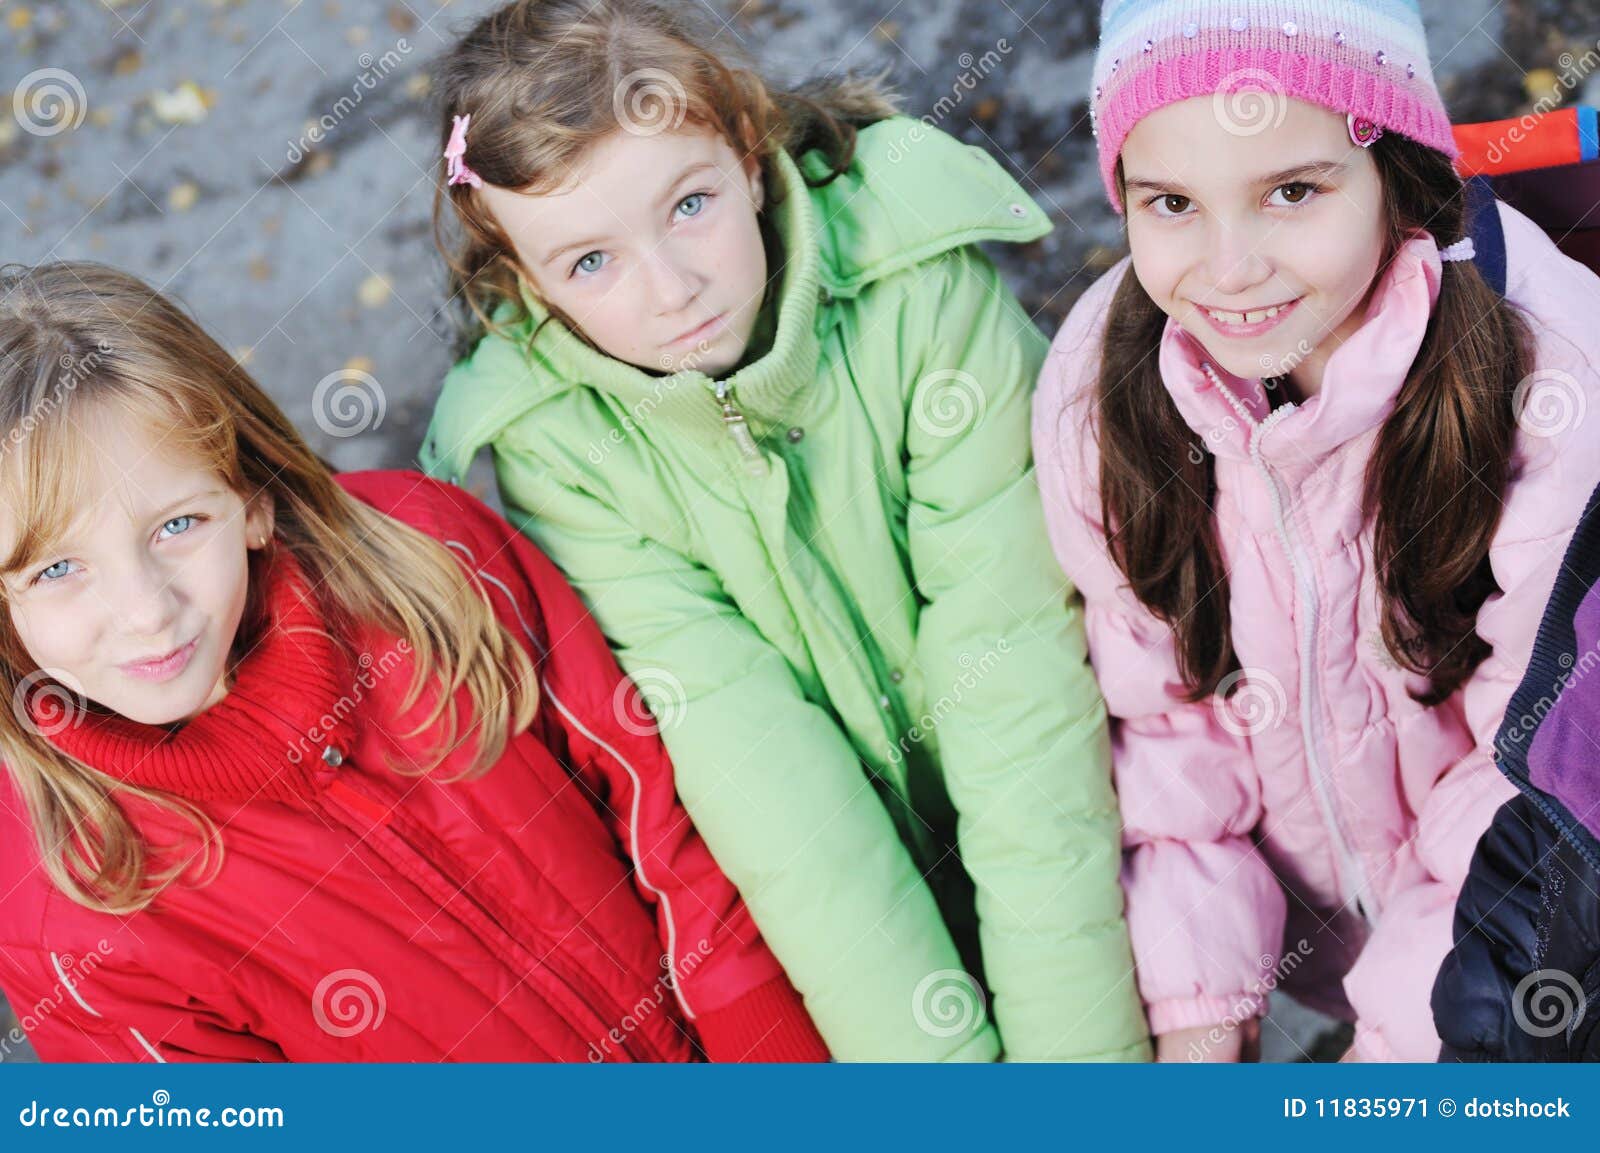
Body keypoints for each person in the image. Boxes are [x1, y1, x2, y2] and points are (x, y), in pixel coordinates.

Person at [419, 0, 1147, 1061]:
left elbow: (1016, 673)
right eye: (589, 264)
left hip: (1105, 800)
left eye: (690, 204)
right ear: (525, 283)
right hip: (856, 911)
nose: (672, 290)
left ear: (750, 157)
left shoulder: (920, 285)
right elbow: (773, 795)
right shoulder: (556, 451)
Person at [0, 261, 826, 1063]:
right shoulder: (64, 907)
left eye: (177, 525)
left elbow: (662, 801)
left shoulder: (425, 552)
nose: (146, 610)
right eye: (57, 570)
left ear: (249, 501)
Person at [1032, 0, 1600, 1060]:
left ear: (1395, 169)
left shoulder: (1549, 381)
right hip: (1317, 940)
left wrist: (1393, 1051)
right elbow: (1164, 729)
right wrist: (1204, 1011)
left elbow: (1524, 774)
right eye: (1170, 203)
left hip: (1499, 955)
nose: (1230, 268)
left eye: (1291, 191)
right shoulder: (1098, 390)